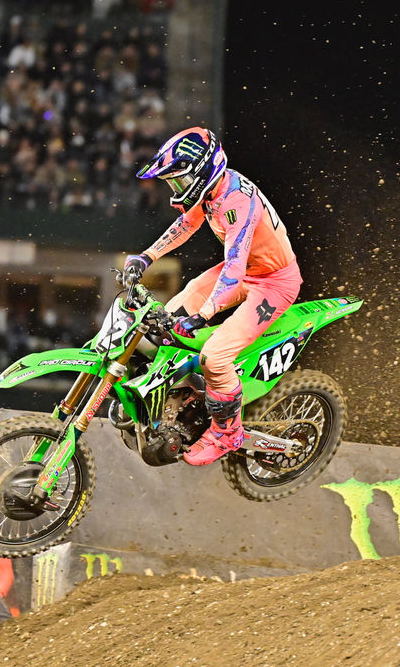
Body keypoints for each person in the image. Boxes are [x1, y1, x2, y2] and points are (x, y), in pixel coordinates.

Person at [123, 127, 300, 466]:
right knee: (163, 323)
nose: (177, 189)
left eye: (179, 180)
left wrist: (203, 315)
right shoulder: (211, 190)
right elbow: (185, 225)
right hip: (247, 269)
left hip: (273, 282)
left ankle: (227, 432)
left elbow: (233, 268)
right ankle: (180, 399)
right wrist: (146, 257)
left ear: (203, 170)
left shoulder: (236, 202)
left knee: (215, 357)